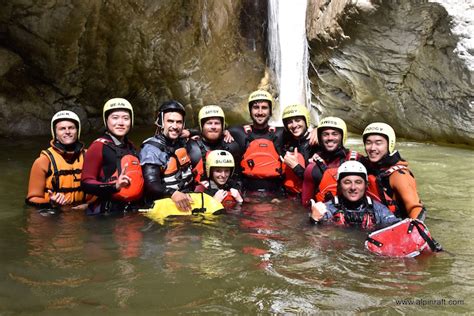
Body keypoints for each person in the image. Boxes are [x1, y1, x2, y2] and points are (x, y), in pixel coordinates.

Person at [81, 98, 143, 214]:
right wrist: (114, 186)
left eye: (126, 118)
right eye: (115, 118)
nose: (120, 123)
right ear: (106, 121)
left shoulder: (131, 147)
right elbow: (86, 183)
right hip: (107, 213)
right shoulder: (98, 146)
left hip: (131, 210)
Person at [26, 110, 93, 211]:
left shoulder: (89, 156)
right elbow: (32, 199)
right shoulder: (43, 161)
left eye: (71, 128)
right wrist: (51, 203)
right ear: (55, 133)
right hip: (52, 212)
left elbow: (100, 191)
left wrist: (89, 205)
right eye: (62, 129)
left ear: (77, 131)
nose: (67, 131)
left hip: (83, 210)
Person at [361, 122, 425, 220]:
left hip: (394, 226)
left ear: (389, 144)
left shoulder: (399, 175)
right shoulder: (362, 167)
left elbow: (416, 209)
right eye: (368, 143)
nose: (372, 148)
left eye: (378, 143)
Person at [309, 160, 399, 229]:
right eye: (347, 182)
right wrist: (314, 220)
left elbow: (396, 231)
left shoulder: (379, 210)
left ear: (366, 185)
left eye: (358, 182)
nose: (353, 187)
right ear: (339, 185)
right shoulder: (327, 210)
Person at [140, 100, 195, 211]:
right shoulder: (151, 149)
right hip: (164, 203)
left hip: (188, 197)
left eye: (179, 122)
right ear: (161, 122)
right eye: (170, 121)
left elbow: (203, 131)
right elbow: (151, 184)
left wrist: (190, 132)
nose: (175, 126)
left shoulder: (180, 141)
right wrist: (173, 194)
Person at [228, 90, 285, 193]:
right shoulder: (238, 132)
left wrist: (317, 131)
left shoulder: (280, 133)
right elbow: (211, 131)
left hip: (275, 196)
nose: (260, 112)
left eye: (264, 108)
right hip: (247, 195)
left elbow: (302, 132)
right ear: (250, 111)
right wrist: (224, 132)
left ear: (270, 111)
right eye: (255, 108)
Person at [301, 117, 362, 206]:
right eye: (325, 134)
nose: (330, 138)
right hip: (325, 214)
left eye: (335, 134)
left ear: (342, 136)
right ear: (320, 138)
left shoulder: (358, 161)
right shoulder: (312, 168)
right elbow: (306, 204)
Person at [186, 105, 242, 186]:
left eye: (217, 123)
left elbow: (238, 179)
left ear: (222, 126)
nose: (213, 127)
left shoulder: (232, 146)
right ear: (202, 126)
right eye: (209, 123)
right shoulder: (191, 147)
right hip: (198, 195)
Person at [280, 104, 317, 195]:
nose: (294, 125)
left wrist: (296, 167)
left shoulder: (316, 144)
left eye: (298, 120)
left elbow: (318, 181)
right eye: (290, 122)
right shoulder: (285, 142)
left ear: (306, 121)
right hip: (288, 197)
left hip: (307, 197)